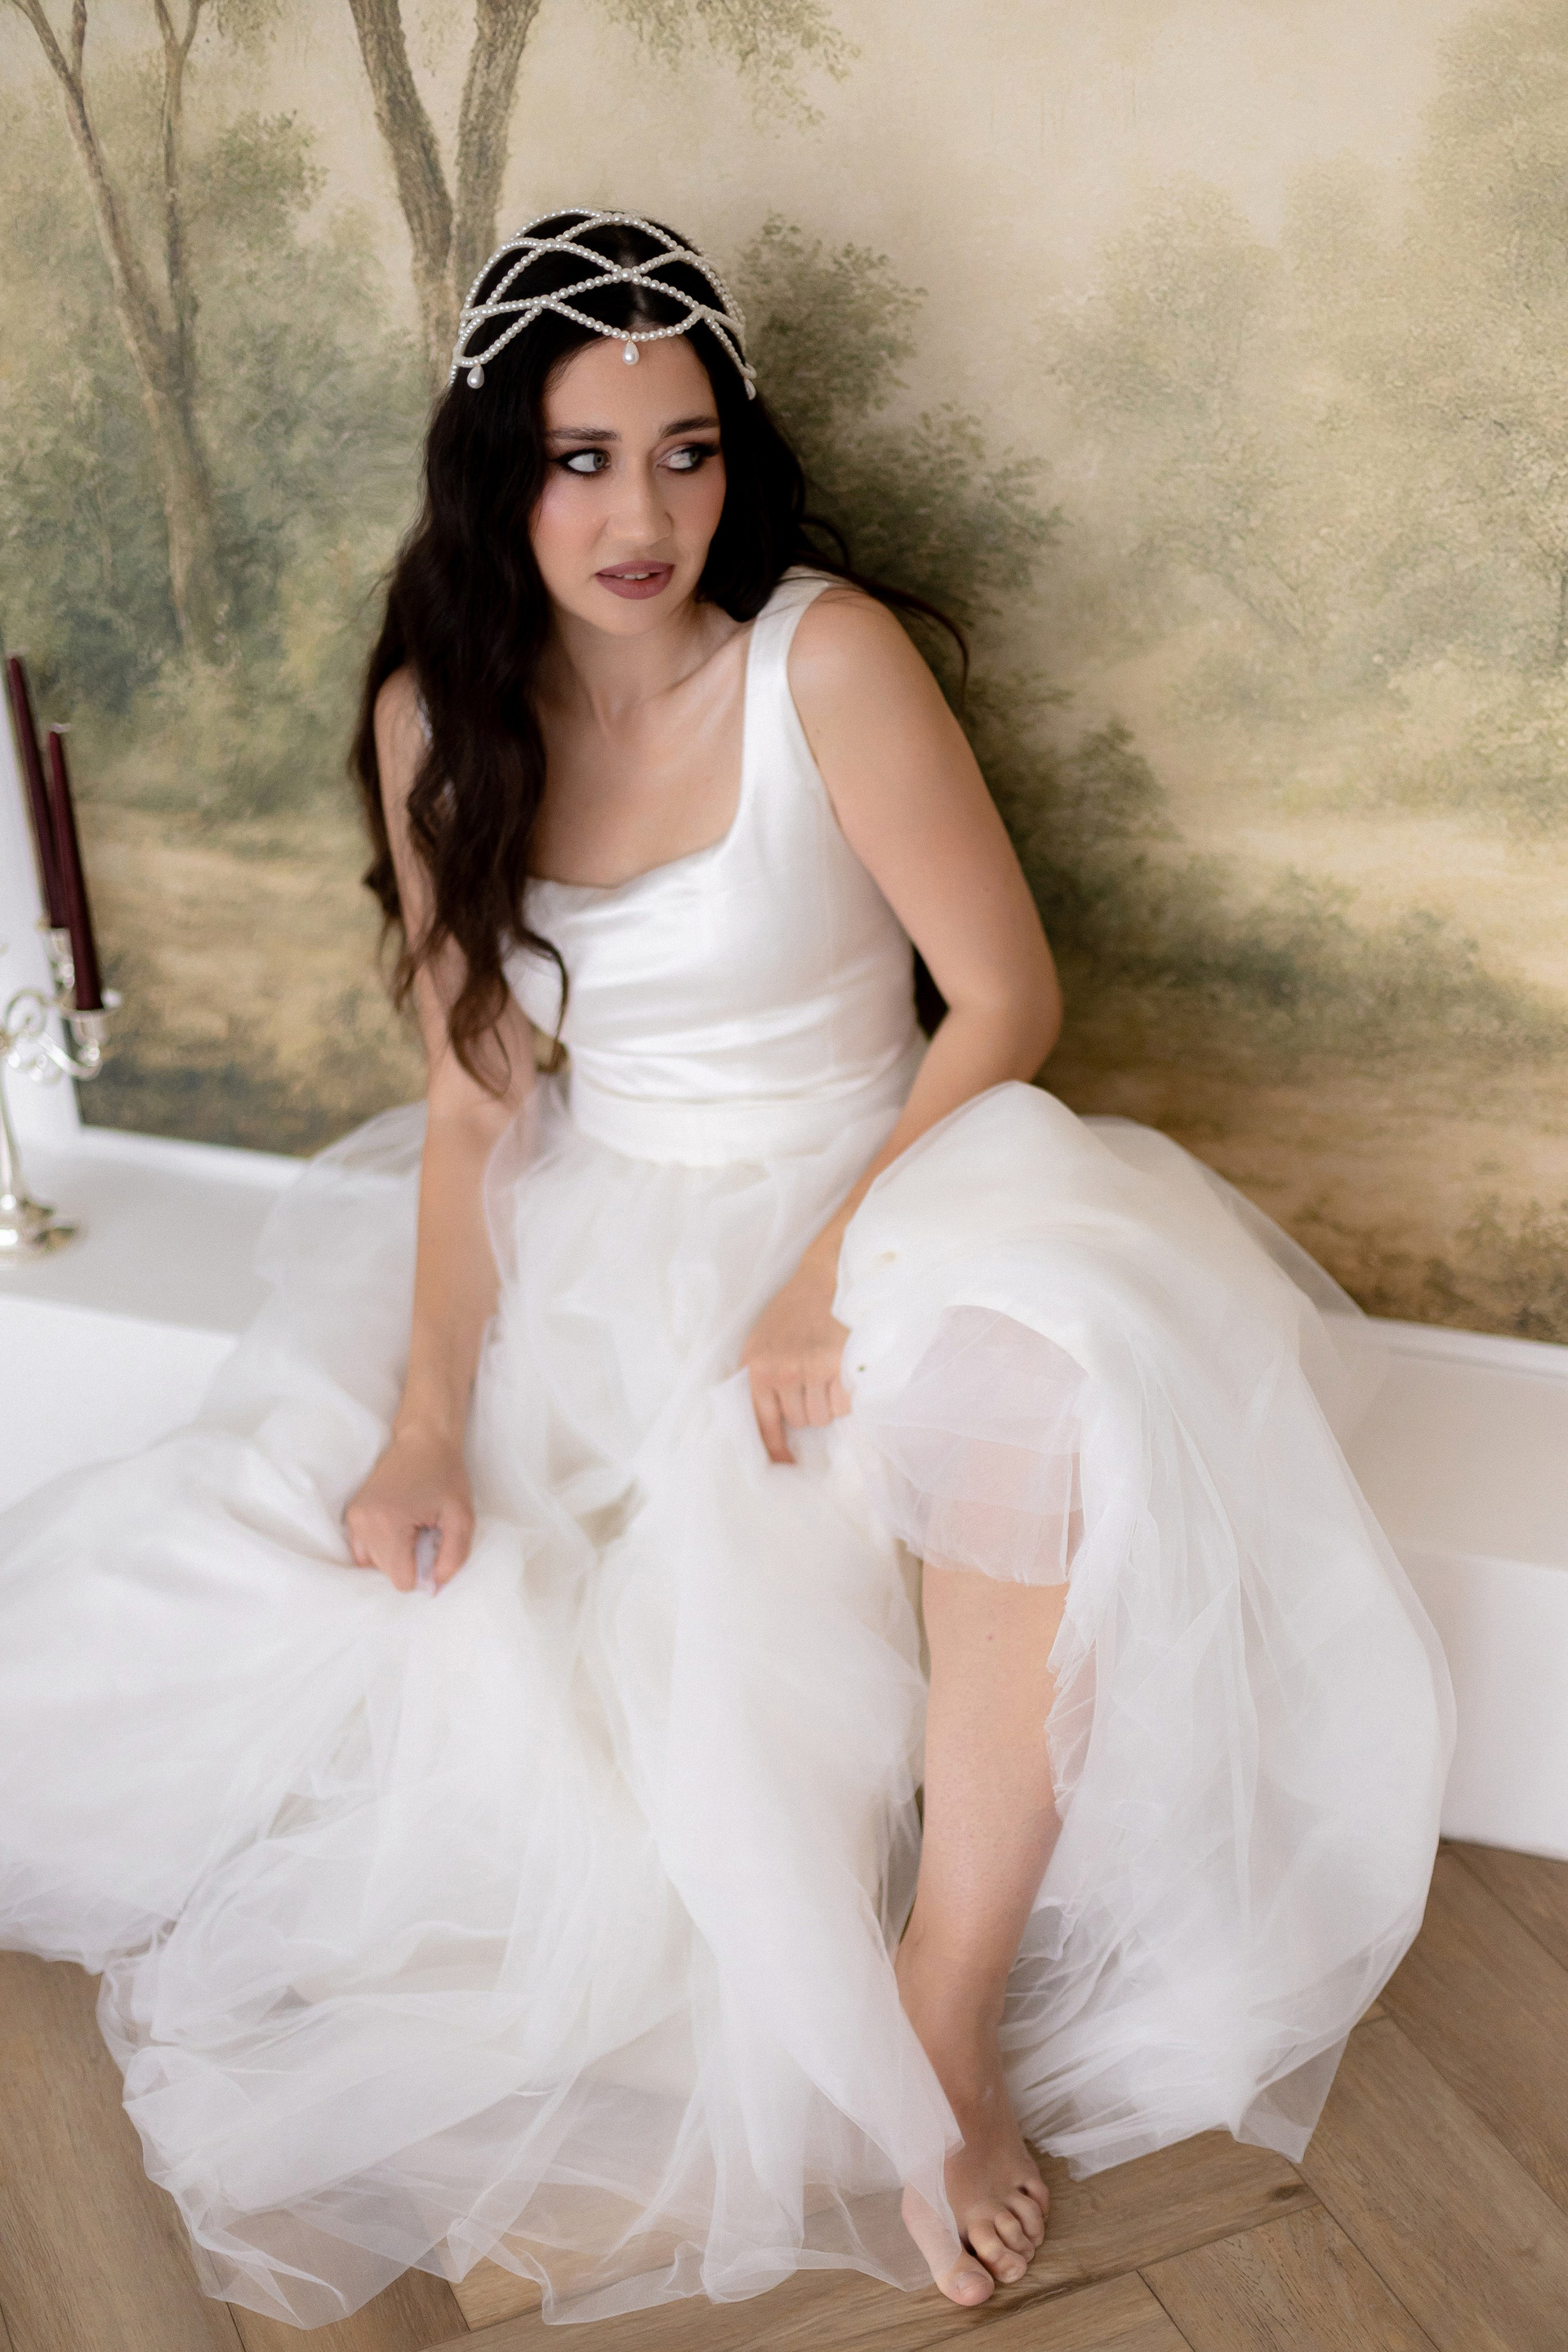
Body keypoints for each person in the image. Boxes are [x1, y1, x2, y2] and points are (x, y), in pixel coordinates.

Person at [0, 208, 1453, 2331]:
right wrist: (427, 1420)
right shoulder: (438, 716)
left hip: (894, 1171)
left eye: (686, 453)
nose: (643, 514)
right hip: (611, 1224)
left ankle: (940, 2008)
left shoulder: (818, 661)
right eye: (584, 459)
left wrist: (819, 1277)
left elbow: (1005, 1002)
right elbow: (478, 1104)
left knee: (1025, 1375)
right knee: (362, 1606)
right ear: (498, 475)